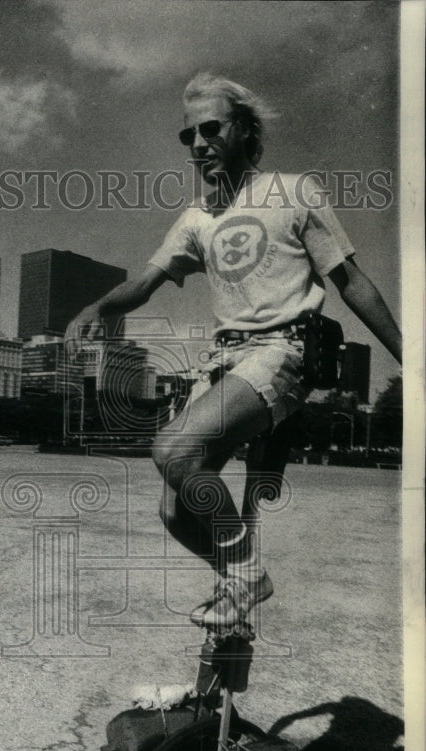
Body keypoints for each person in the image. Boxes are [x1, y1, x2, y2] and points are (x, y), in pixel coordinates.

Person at [65, 72, 401, 631]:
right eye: (187, 135)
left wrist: (409, 356)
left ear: (244, 131)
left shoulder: (296, 193)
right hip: (224, 359)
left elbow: (351, 281)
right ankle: (239, 582)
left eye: (211, 128)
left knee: (173, 452)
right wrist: (97, 308)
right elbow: (144, 285)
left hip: (284, 350)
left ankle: (245, 575)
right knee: (174, 509)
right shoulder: (196, 220)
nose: (198, 144)